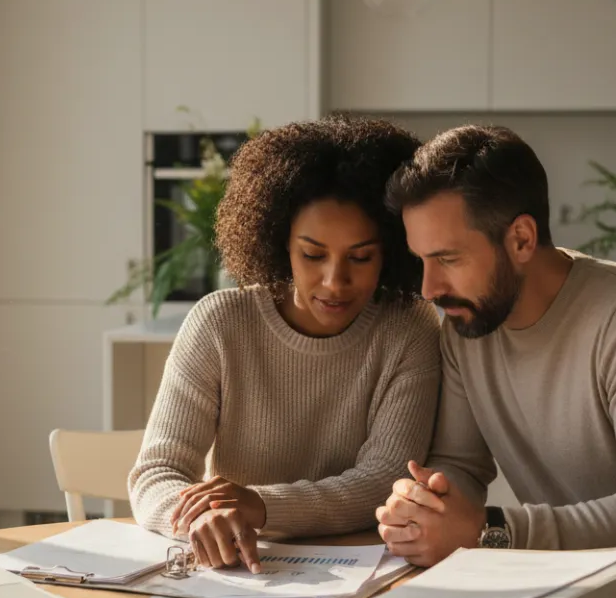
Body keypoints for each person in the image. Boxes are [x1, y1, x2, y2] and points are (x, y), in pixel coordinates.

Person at [374, 124, 616, 583]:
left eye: (449, 260)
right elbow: (460, 464)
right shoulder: (467, 326)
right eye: (422, 260)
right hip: (576, 587)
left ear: (521, 238)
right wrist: (427, 507)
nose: (429, 288)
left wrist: (490, 530)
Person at [128, 116, 442, 574]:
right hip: (240, 574)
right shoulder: (220, 323)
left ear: (393, 251)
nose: (336, 282)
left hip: (365, 576)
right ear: (279, 244)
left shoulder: (407, 329)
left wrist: (260, 506)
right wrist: (204, 517)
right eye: (313, 255)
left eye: (361, 257)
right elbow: (156, 473)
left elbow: (384, 481)